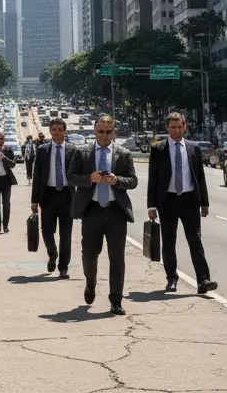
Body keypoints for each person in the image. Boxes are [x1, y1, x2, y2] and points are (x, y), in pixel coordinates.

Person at [67, 115, 138, 315]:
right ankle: (90, 283)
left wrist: (117, 180)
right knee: (90, 254)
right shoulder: (83, 153)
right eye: (101, 131)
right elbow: (71, 177)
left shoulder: (123, 154)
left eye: (108, 132)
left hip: (116, 211)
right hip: (92, 210)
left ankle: (116, 300)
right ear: (95, 132)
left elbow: (133, 181)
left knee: (117, 257)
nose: (104, 135)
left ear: (113, 132)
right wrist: (89, 178)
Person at [146, 113, 217, 294]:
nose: (177, 131)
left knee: (195, 240)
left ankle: (203, 279)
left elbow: (199, 176)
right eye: (173, 127)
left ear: (185, 127)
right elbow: (153, 179)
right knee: (169, 242)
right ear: (167, 128)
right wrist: (151, 206)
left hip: (189, 201)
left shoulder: (193, 148)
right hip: (167, 201)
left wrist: (204, 203)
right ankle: (171, 278)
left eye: (180, 127)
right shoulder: (158, 149)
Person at [31, 117, 76, 278]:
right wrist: (34, 200)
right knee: (46, 230)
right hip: (48, 195)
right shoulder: (43, 150)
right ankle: (52, 253)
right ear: (50, 132)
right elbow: (37, 176)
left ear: (64, 131)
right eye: (53, 130)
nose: (56, 132)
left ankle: (63, 267)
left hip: (67, 195)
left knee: (66, 233)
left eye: (59, 129)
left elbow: (78, 175)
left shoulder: (72, 150)